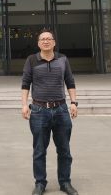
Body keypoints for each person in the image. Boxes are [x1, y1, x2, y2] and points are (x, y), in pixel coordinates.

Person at [21, 29, 78, 195]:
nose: (46, 41)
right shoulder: (31, 60)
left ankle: (65, 182)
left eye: (48, 39)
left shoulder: (63, 59)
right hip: (39, 110)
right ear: (38, 43)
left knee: (64, 150)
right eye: (42, 39)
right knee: (39, 150)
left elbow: (70, 81)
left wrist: (73, 103)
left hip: (61, 110)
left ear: (54, 42)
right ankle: (40, 183)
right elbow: (25, 83)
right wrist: (24, 105)